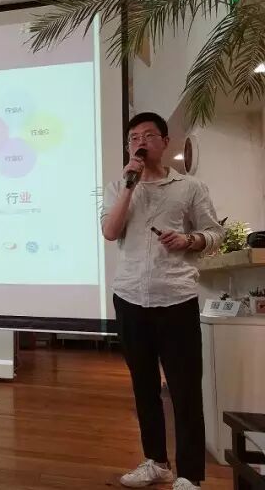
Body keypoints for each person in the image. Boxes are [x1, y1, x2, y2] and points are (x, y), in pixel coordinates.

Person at [101, 112, 225, 490]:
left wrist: (190, 240)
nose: (139, 142)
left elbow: (214, 233)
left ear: (165, 142)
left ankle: (189, 475)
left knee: (185, 390)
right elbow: (110, 231)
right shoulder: (118, 186)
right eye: (133, 137)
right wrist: (129, 186)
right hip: (130, 298)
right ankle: (156, 462)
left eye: (148, 135)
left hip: (176, 298)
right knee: (144, 387)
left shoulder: (190, 187)